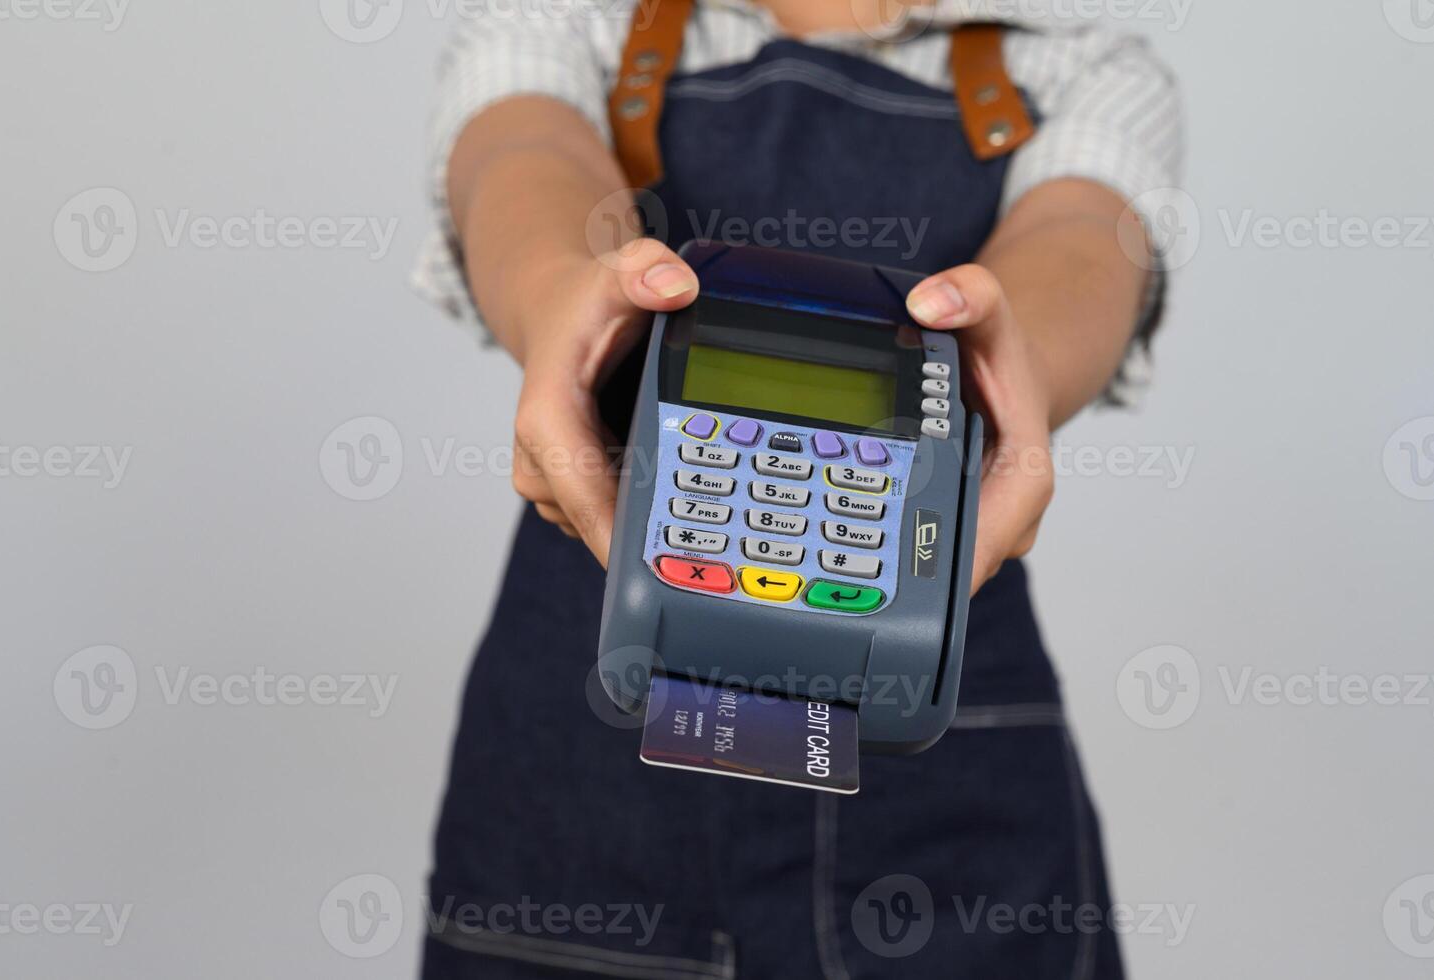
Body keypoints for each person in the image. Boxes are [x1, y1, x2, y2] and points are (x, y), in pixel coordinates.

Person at [413, 1, 1182, 975]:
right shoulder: (578, 18)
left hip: (943, 810)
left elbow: (1079, 232)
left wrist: (1012, 353)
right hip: (579, 804)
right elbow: (523, 142)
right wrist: (563, 285)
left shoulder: (1081, 65)